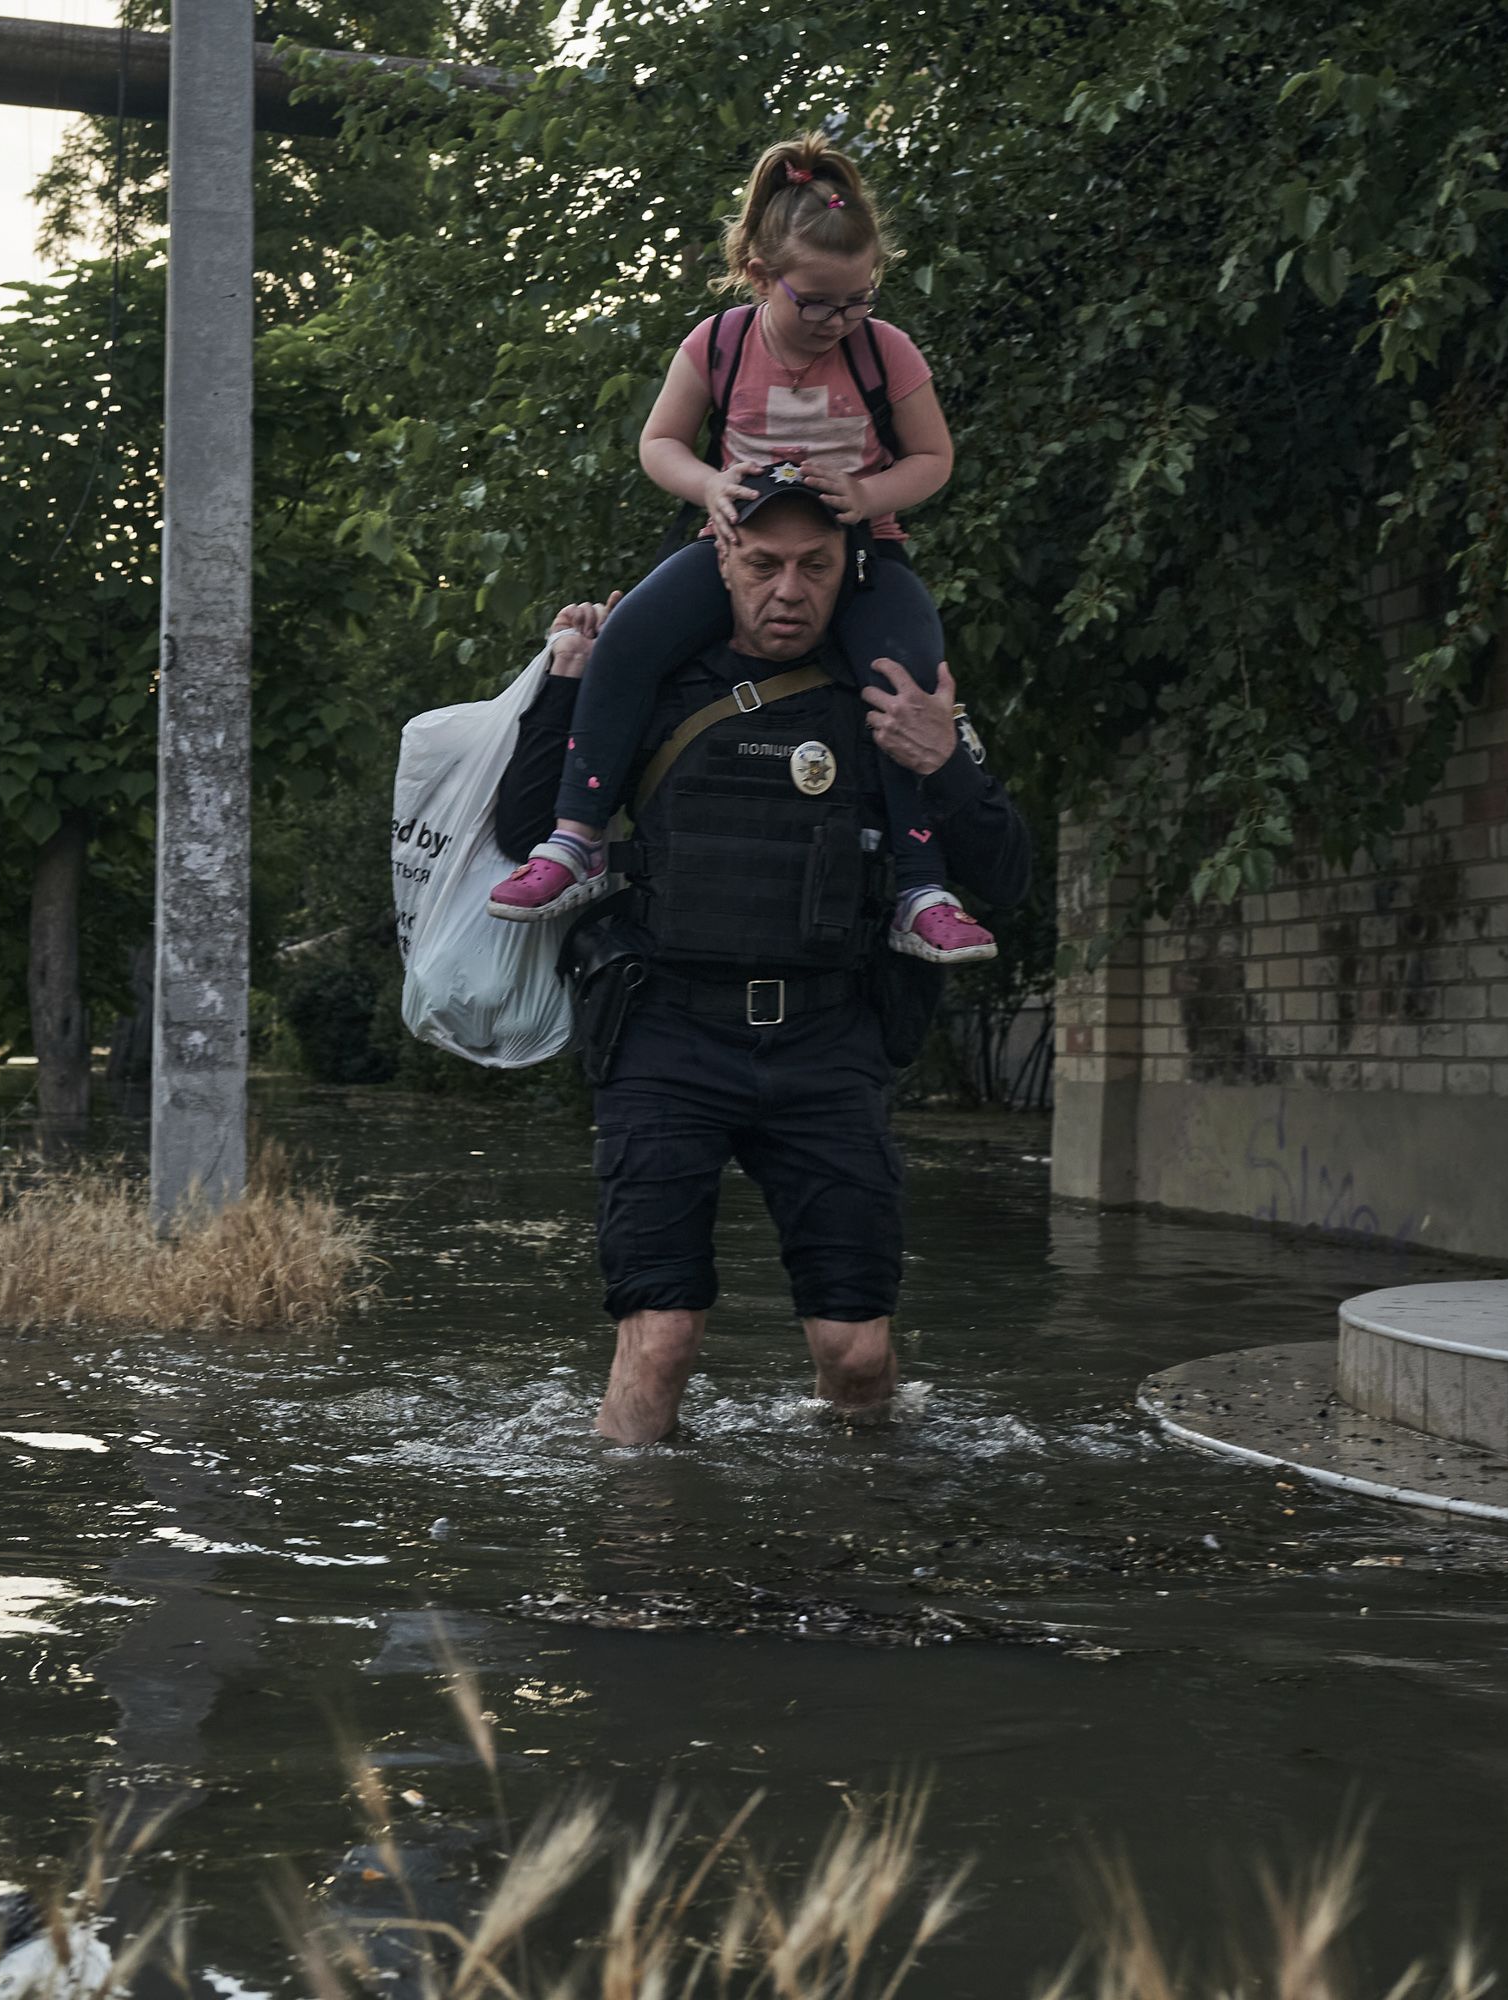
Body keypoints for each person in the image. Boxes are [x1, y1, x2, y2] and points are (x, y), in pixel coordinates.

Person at [492, 468, 1032, 1436]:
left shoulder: (886, 690)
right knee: (660, 1339)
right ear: (721, 556)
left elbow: (1007, 871)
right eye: (767, 563)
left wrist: (944, 757)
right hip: (667, 1039)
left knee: (858, 1354)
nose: (790, 589)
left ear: (849, 567)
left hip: (828, 1043)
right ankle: (633, 1573)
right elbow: (524, 829)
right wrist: (565, 682)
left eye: (816, 566)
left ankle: (852, 1560)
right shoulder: (650, 677)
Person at [486, 131, 999, 970]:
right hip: (735, 543)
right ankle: (575, 837)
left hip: (861, 556)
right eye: (819, 304)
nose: (840, 322)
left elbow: (933, 459)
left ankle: (920, 886)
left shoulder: (886, 351)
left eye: (859, 300)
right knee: (626, 643)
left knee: (908, 682)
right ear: (762, 277)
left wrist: (868, 495)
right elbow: (660, 443)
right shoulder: (719, 344)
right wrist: (708, 486)